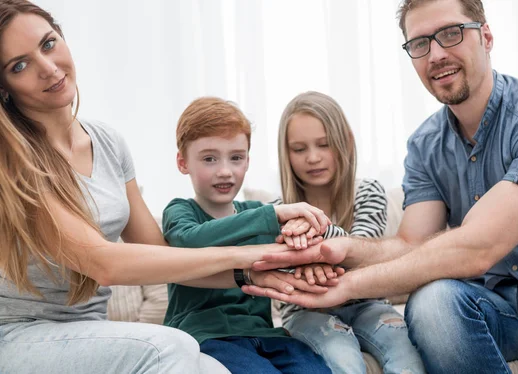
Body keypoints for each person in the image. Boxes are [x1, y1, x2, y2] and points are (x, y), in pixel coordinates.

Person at [245, 0, 518, 373]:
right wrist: (341, 249)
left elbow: (479, 247)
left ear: (487, 36)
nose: (436, 54)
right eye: (420, 44)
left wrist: (349, 285)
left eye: (450, 34)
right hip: (498, 312)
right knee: (432, 301)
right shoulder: (426, 143)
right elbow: (410, 244)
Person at [0, 2, 329, 373]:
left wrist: (250, 276)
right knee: (170, 347)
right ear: (5, 87)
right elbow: (104, 264)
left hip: (89, 330)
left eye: (48, 44)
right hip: (18, 335)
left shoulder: (107, 143)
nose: (48, 68)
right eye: (20, 65)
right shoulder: (12, 161)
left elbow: (160, 257)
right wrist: (248, 255)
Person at [161, 96, 334, 374]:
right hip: (207, 337)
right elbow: (190, 240)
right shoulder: (180, 211)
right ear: (183, 163)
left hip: (267, 335)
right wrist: (273, 215)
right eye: (209, 159)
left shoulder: (256, 212)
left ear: (248, 161)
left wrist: (304, 233)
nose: (225, 171)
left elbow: (295, 252)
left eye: (236, 158)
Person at [271, 91, 425, 374]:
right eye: (299, 149)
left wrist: (315, 234)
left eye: (324, 144)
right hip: (307, 312)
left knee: (407, 356)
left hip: (368, 303)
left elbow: (361, 253)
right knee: (343, 361)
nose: (313, 158)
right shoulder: (277, 212)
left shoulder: (368, 192)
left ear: (346, 142)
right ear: (286, 153)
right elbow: (287, 278)